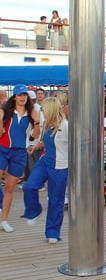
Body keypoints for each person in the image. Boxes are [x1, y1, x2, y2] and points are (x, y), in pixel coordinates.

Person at [22, 97, 68, 244]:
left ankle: (53, 231)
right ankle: (34, 211)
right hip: (45, 161)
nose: (41, 111)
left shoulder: (66, 126)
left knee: (56, 200)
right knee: (29, 186)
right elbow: (43, 140)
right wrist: (36, 146)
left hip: (60, 166)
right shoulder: (46, 124)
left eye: (43, 109)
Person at [0, 84, 41, 232]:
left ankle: (4, 220)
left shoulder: (32, 114)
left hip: (19, 153)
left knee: (10, 188)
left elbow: (35, 136)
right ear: (15, 96)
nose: (23, 97)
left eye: (25, 95)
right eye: (20, 95)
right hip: (2, 149)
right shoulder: (6, 111)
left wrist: (36, 121)